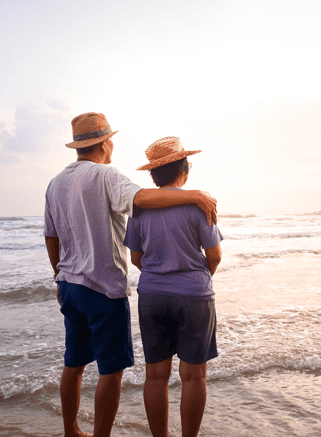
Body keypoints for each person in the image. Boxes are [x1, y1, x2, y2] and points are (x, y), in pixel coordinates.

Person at [44, 113, 218, 437]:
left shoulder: (55, 183)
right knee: (110, 370)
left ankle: (71, 431)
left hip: (69, 283)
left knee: (74, 363)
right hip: (102, 287)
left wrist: (58, 275)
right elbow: (143, 199)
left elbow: (50, 236)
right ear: (105, 143)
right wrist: (195, 195)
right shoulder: (105, 174)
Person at [123, 137, 223, 437]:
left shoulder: (140, 209)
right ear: (184, 170)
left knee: (155, 375)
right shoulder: (199, 205)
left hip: (152, 295)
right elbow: (215, 255)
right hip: (194, 295)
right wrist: (196, 278)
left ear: (154, 175)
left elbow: (136, 258)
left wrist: (160, 275)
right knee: (194, 376)